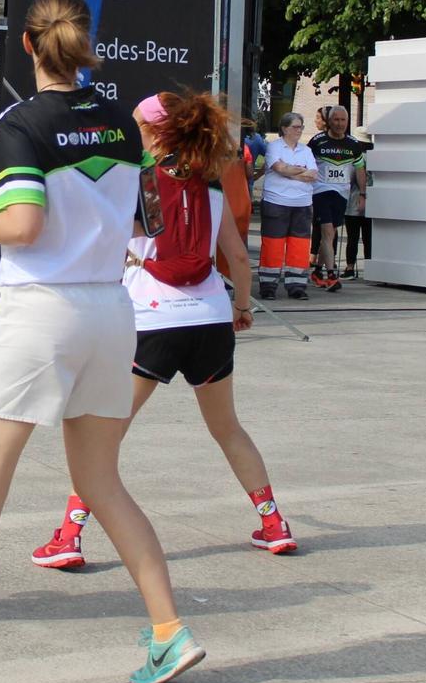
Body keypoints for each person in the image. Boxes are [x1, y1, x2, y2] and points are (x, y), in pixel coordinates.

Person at [0, 0, 203, 683]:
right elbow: (146, 224)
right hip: (111, 310)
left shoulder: (21, 123)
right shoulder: (120, 124)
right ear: (82, 45)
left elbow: (25, 225)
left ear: (30, 47)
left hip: (40, 311)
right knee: (103, 484)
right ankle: (168, 628)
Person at [29, 90, 296, 572]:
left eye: (137, 122)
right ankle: (273, 523)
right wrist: (240, 307)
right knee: (228, 428)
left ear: (155, 132)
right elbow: (237, 256)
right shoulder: (213, 181)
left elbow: (102, 239)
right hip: (211, 318)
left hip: (153, 321)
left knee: (102, 437)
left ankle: (69, 535)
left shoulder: (137, 178)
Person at [258, 112, 316, 300]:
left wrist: (290, 171)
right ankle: (268, 286)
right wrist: (299, 171)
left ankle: (297, 286)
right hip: (276, 202)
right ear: (284, 128)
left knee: (299, 247)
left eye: (301, 127)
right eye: (295, 127)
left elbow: (313, 175)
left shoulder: (306, 150)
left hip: (303, 204)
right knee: (273, 245)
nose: (299, 130)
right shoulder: (274, 147)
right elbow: (279, 168)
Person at [308, 106, 365, 290]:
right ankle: (332, 274)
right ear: (329, 121)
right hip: (321, 191)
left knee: (331, 234)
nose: (340, 124)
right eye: (336, 120)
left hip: (342, 193)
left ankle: (317, 270)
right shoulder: (317, 142)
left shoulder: (353, 144)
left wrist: (363, 194)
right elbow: (306, 164)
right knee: (326, 232)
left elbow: (359, 170)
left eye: (343, 120)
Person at [341, 127, 374, 278]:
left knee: (352, 238)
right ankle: (370, 267)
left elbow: (349, 180)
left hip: (354, 203)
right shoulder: (375, 158)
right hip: (372, 204)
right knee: (368, 238)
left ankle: (349, 268)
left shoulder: (355, 160)